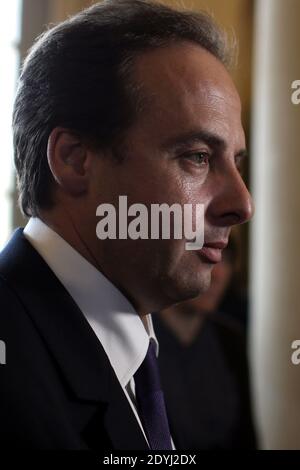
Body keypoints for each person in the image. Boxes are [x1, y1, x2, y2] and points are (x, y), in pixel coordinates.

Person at [0, 0, 253, 450]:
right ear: (74, 159)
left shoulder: (137, 353)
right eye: (197, 157)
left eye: (235, 163)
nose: (242, 203)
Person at [154, 240, 257, 449]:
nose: (217, 275)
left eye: (226, 260)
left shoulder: (230, 338)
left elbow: (246, 434)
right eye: (204, 254)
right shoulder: (140, 337)